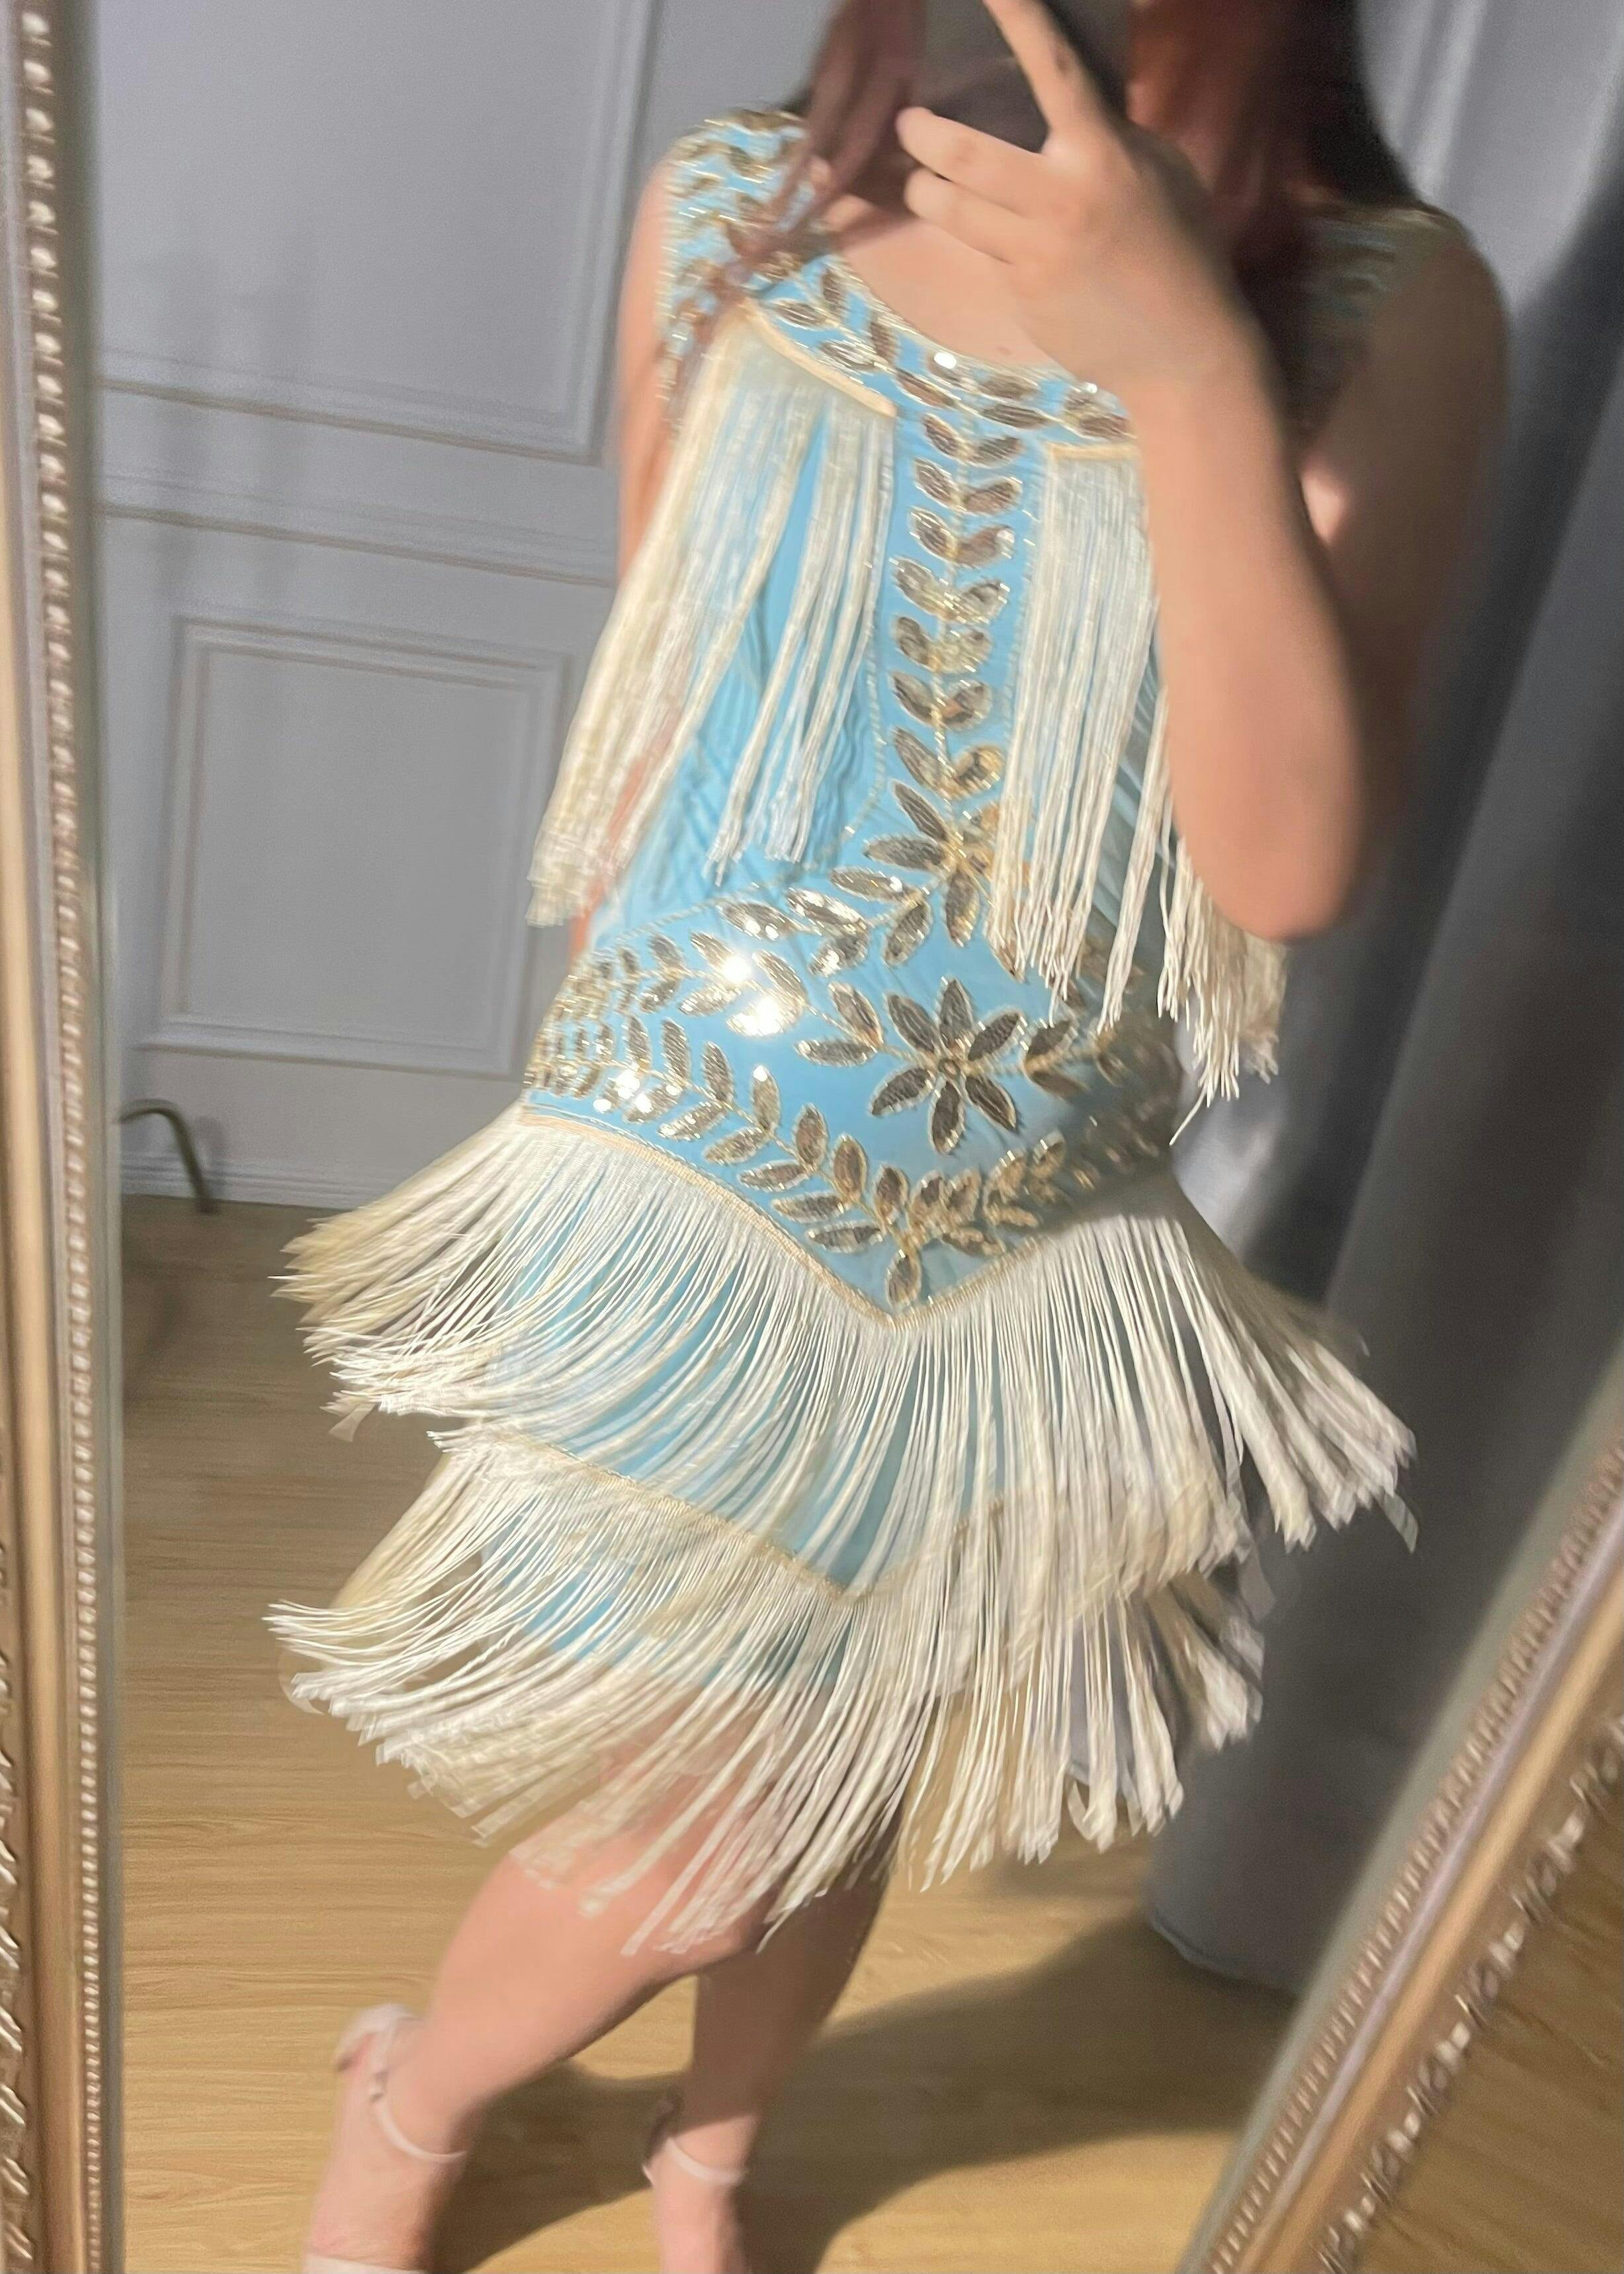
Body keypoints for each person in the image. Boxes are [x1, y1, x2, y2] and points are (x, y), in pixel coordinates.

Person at [286, 2, 1504, 2268]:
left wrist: (1189, 367)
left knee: (845, 1769)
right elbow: (664, 716)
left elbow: (1284, 871)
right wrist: (568, 1143)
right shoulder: (734, 210)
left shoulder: (1386, 302)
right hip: (681, 1172)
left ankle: (707, 2157)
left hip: (1035, 1234)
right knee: (701, 1826)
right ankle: (421, 2090)